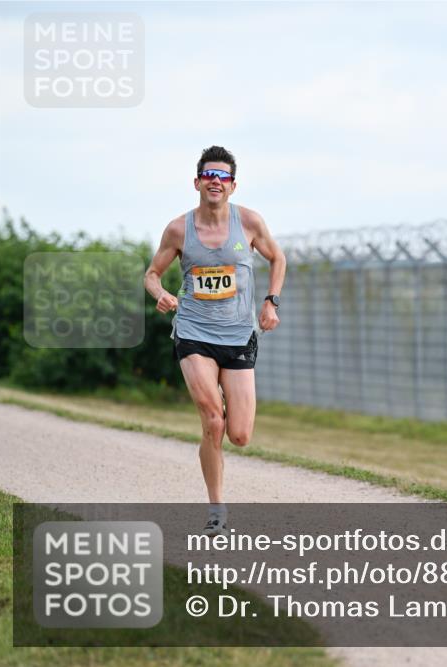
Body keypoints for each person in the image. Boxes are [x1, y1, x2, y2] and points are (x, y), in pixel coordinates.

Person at [144, 146, 286, 535]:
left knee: (239, 434)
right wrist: (160, 293)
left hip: (239, 334)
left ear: (233, 186)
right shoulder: (178, 229)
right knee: (212, 420)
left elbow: (278, 258)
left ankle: (224, 411)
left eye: (223, 177)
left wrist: (271, 301)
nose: (215, 182)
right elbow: (152, 273)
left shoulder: (250, 223)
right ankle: (216, 510)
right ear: (197, 182)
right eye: (209, 175)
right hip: (193, 332)